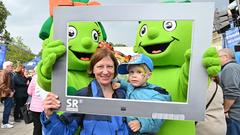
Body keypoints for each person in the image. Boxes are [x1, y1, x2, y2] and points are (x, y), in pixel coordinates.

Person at [41, 47, 129, 135]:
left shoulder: (123, 94)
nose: (105, 72)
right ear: (93, 69)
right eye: (100, 66)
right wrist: (50, 117)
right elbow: (64, 131)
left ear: (115, 69)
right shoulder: (83, 95)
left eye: (109, 66)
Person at [114, 54, 171, 134]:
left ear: (148, 75)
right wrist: (120, 84)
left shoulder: (155, 93)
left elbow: (158, 117)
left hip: (143, 131)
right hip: (128, 130)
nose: (134, 76)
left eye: (139, 72)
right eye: (131, 72)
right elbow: (127, 85)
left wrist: (141, 123)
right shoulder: (131, 86)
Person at [218, 48, 240, 135]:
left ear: (226, 57)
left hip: (234, 117)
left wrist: (224, 110)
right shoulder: (235, 67)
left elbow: (231, 92)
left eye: (217, 57)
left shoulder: (230, 68)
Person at [27, 68, 43, 135]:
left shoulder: (35, 77)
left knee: (37, 126)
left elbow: (29, 92)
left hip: (35, 107)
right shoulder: (51, 76)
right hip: (47, 107)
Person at [0, 61, 14, 128]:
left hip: (8, 94)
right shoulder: (3, 73)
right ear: (7, 66)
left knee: (8, 108)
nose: (12, 67)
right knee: (7, 108)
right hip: (6, 94)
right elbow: (1, 84)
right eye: (11, 66)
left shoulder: (8, 73)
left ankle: (6, 121)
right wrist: (10, 92)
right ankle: (4, 123)